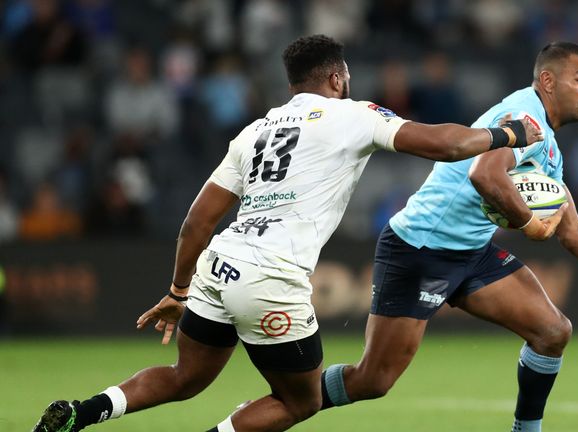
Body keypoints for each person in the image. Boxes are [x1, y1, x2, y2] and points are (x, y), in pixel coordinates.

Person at [32, 34, 543, 432]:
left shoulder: (256, 131)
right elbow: (445, 144)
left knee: (184, 378)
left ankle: (85, 411)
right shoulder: (354, 115)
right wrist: (508, 133)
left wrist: (177, 290)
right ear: (338, 76)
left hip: (221, 262)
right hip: (272, 277)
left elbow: (197, 221)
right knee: (301, 399)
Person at [318, 42, 578, 432]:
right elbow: (486, 174)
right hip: (420, 248)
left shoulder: (547, 144)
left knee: (552, 332)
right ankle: (290, 401)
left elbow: (573, 229)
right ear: (548, 81)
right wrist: (529, 223)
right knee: (372, 381)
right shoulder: (523, 119)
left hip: (471, 252)